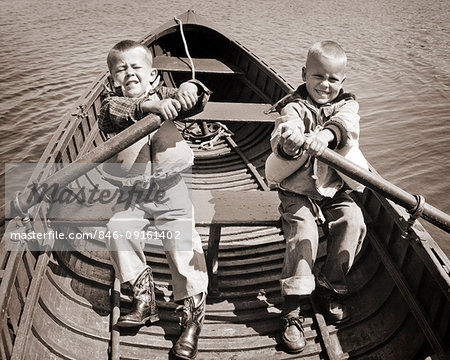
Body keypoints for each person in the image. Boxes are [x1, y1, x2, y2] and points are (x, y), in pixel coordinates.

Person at [98, 40, 208, 360]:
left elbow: (197, 101)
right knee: (117, 229)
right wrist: (148, 108)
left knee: (184, 245)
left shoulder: (168, 97)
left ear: (153, 74)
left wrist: (191, 87)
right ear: (112, 80)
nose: (129, 74)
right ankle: (144, 301)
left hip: (170, 192)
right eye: (120, 71)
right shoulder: (112, 105)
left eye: (136, 68)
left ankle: (191, 320)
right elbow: (112, 115)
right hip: (133, 196)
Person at [266, 41, 367, 353]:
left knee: (353, 221)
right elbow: (286, 130)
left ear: (343, 82)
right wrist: (293, 141)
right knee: (304, 233)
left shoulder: (348, 106)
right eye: (318, 77)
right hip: (297, 191)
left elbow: (346, 126)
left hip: (334, 189)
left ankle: (329, 284)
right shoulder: (292, 106)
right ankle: (292, 307)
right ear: (304, 75)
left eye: (333, 80)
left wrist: (325, 136)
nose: (325, 85)